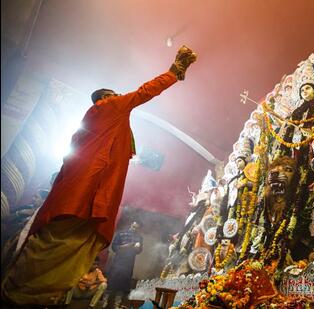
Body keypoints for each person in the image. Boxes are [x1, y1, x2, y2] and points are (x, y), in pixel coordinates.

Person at [1, 45, 197, 306]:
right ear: (104, 98)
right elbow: (143, 93)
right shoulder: (108, 108)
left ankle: (24, 297)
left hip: (73, 199)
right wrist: (175, 71)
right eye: (113, 94)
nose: (119, 97)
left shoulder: (94, 126)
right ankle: (20, 298)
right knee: (56, 251)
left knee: (54, 252)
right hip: (82, 201)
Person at [108, 221, 143, 294]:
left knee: (125, 280)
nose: (135, 229)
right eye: (134, 227)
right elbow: (114, 247)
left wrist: (137, 249)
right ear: (131, 224)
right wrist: (125, 246)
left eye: (137, 228)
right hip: (118, 260)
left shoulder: (139, 237)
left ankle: (117, 302)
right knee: (113, 278)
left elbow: (139, 251)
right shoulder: (121, 234)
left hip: (129, 262)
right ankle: (105, 300)